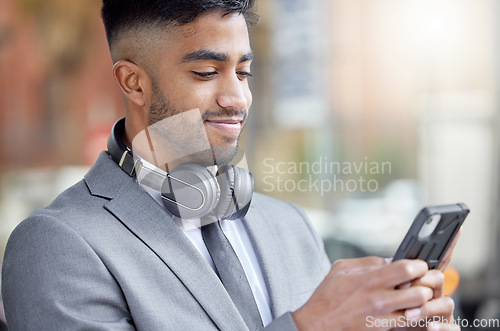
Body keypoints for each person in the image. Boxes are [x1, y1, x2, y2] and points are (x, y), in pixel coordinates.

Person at [2, 1, 459, 330]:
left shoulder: (290, 225)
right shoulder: (56, 244)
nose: (237, 98)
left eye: (244, 72)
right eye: (206, 73)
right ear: (133, 82)